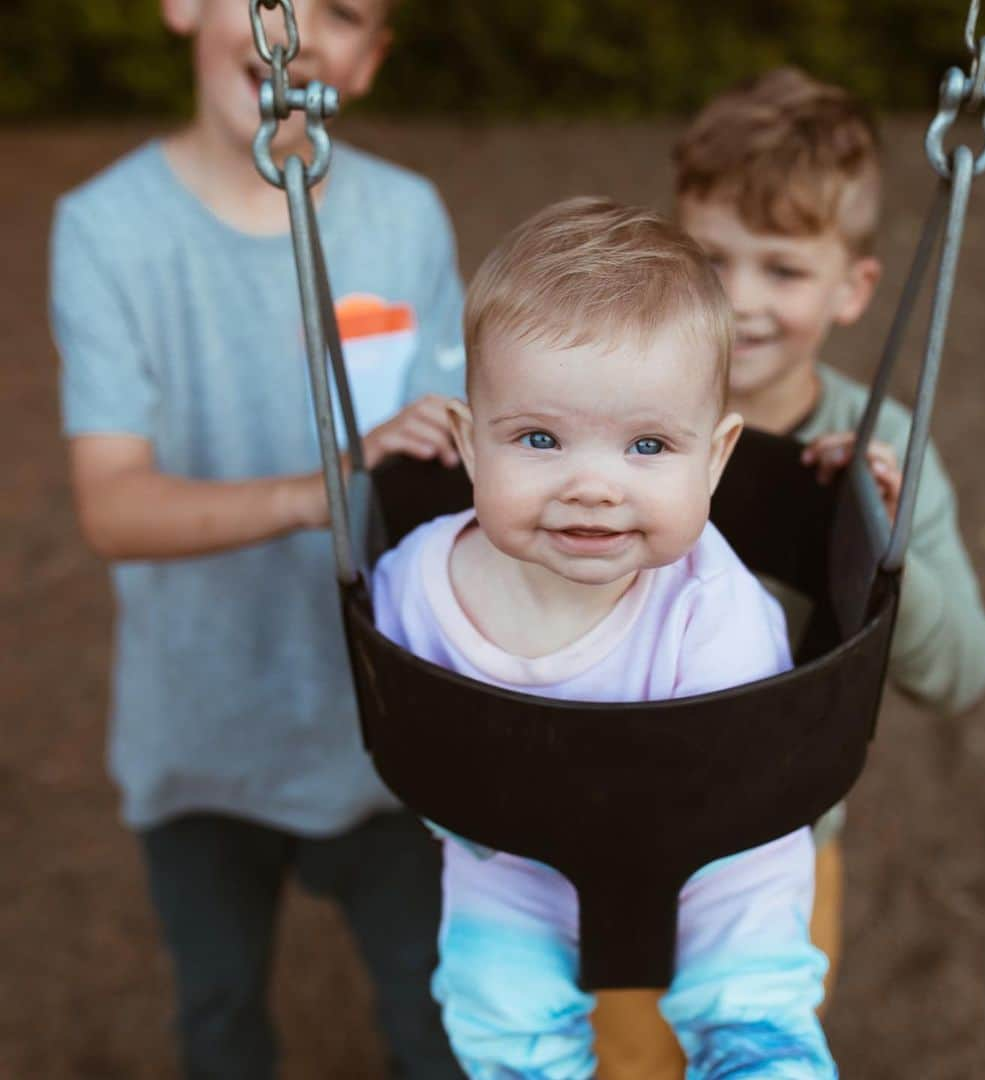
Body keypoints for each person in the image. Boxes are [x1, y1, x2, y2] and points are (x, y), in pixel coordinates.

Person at [49, 1, 465, 1077]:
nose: (300, 34)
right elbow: (113, 505)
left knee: (437, 1020)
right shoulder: (106, 230)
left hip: (383, 740)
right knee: (221, 1020)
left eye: (345, 12)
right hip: (202, 742)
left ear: (369, 61)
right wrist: (319, 490)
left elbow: (452, 471)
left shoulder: (407, 216)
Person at [373, 196, 838, 1079]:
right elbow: (401, 716)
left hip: (715, 859)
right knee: (496, 1011)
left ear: (717, 456)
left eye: (649, 446)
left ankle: (755, 1054)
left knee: (750, 993)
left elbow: (745, 771)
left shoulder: (712, 603)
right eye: (540, 438)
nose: (593, 486)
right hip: (512, 857)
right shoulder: (417, 581)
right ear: (471, 448)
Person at [672, 67, 985, 1004]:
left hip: (781, 846)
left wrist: (888, 554)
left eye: (782, 268)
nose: (739, 300)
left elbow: (963, 673)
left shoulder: (885, 442)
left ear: (855, 288)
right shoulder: (618, 409)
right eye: (710, 258)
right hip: (608, 822)